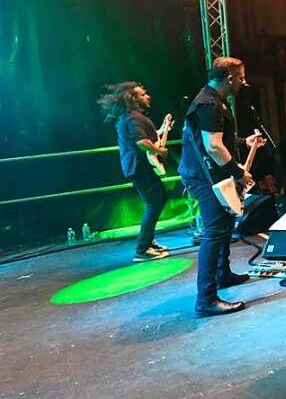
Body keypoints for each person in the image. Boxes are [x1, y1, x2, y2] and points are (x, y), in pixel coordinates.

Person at [179, 57, 260, 318]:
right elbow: (213, 146)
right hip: (201, 176)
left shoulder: (212, 100)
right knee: (214, 231)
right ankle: (206, 299)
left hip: (205, 173)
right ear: (230, 78)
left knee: (224, 225)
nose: (243, 82)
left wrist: (242, 141)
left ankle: (222, 275)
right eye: (241, 77)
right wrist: (239, 172)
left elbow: (217, 137)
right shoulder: (209, 103)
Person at [98, 81, 170, 261]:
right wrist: (159, 151)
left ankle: (148, 243)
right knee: (155, 202)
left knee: (157, 200)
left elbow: (145, 136)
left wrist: (162, 129)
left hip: (137, 167)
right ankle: (143, 249)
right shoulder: (133, 118)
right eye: (143, 94)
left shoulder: (131, 117)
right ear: (134, 99)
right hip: (140, 167)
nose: (148, 96)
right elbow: (141, 142)